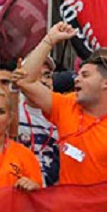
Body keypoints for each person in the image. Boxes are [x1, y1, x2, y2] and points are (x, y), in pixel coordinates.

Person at [15, 22, 107, 185]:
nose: (77, 79)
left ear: (105, 83)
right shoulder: (67, 105)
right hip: (67, 208)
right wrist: (48, 41)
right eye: (78, 74)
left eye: (85, 75)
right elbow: (24, 80)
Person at [14, 57, 60, 186]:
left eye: (47, 76)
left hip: (53, 195)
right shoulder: (11, 113)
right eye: (36, 76)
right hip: (19, 189)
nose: (44, 81)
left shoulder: (66, 114)